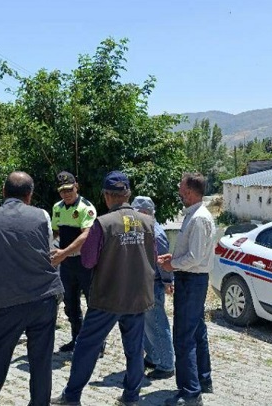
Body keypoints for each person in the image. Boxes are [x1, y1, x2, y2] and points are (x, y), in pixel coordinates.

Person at [52, 171, 156, 406]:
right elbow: (153, 257)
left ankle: (72, 395)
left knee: (87, 346)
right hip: (138, 296)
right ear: (127, 193)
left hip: (108, 296)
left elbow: (88, 260)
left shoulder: (103, 223)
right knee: (134, 349)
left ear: (107, 196)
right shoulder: (148, 221)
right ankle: (131, 397)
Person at [0, 172, 64, 406]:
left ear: (4, 192)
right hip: (43, 297)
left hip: (5, 300)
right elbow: (47, 251)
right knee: (41, 361)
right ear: (29, 195)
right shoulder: (42, 215)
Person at [158, 173, 217, 406]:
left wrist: (173, 264)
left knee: (183, 336)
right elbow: (192, 254)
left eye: (182, 189)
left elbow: (195, 257)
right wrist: (174, 258)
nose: (180, 192)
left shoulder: (199, 218)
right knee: (196, 331)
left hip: (192, 281)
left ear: (191, 192)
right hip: (190, 279)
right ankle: (202, 380)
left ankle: (190, 392)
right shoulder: (193, 215)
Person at [49, 171, 98, 353]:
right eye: (62, 190)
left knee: (93, 303)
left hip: (85, 262)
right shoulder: (57, 207)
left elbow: (86, 235)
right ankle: (76, 338)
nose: (66, 194)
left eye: (69, 189)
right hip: (67, 264)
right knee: (70, 303)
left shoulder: (86, 207)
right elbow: (54, 233)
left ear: (76, 186)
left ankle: (96, 342)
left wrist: (63, 253)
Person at [132, 195, 175, 380]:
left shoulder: (156, 234)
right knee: (147, 325)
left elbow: (163, 261)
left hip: (153, 285)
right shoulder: (144, 228)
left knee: (157, 324)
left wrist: (167, 282)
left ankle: (166, 365)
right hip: (143, 284)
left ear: (144, 213)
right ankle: (153, 357)